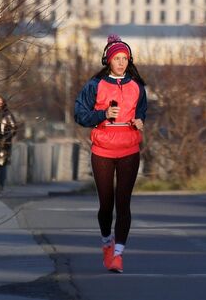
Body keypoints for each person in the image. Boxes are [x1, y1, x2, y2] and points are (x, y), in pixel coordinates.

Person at [74, 34, 147, 274]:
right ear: (108, 60)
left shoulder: (137, 86)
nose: (121, 62)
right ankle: (107, 243)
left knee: (123, 203)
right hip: (103, 149)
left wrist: (140, 121)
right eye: (117, 58)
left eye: (124, 58)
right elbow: (80, 115)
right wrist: (103, 115)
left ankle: (118, 255)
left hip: (129, 148)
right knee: (106, 204)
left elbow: (142, 112)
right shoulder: (95, 85)